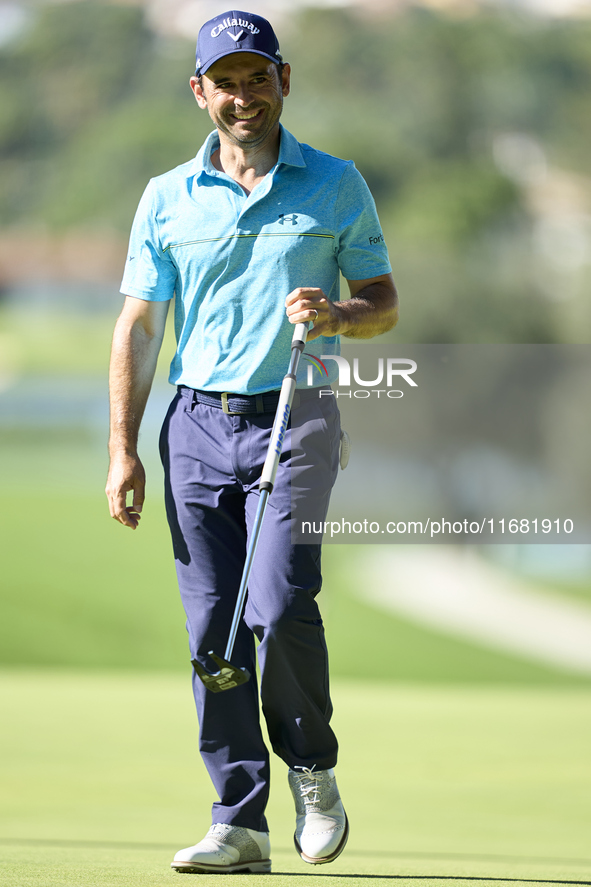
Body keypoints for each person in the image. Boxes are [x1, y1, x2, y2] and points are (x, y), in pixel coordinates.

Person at [106, 9, 398, 875]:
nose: (243, 97)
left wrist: (335, 311)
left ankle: (311, 769)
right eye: (224, 82)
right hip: (195, 425)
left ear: (283, 81)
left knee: (274, 603)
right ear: (199, 91)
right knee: (212, 635)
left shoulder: (336, 183)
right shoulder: (165, 196)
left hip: (297, 415)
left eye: (256, 78)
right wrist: (123, 447)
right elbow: (137, 326)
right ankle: (238, 819)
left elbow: (381, 299)